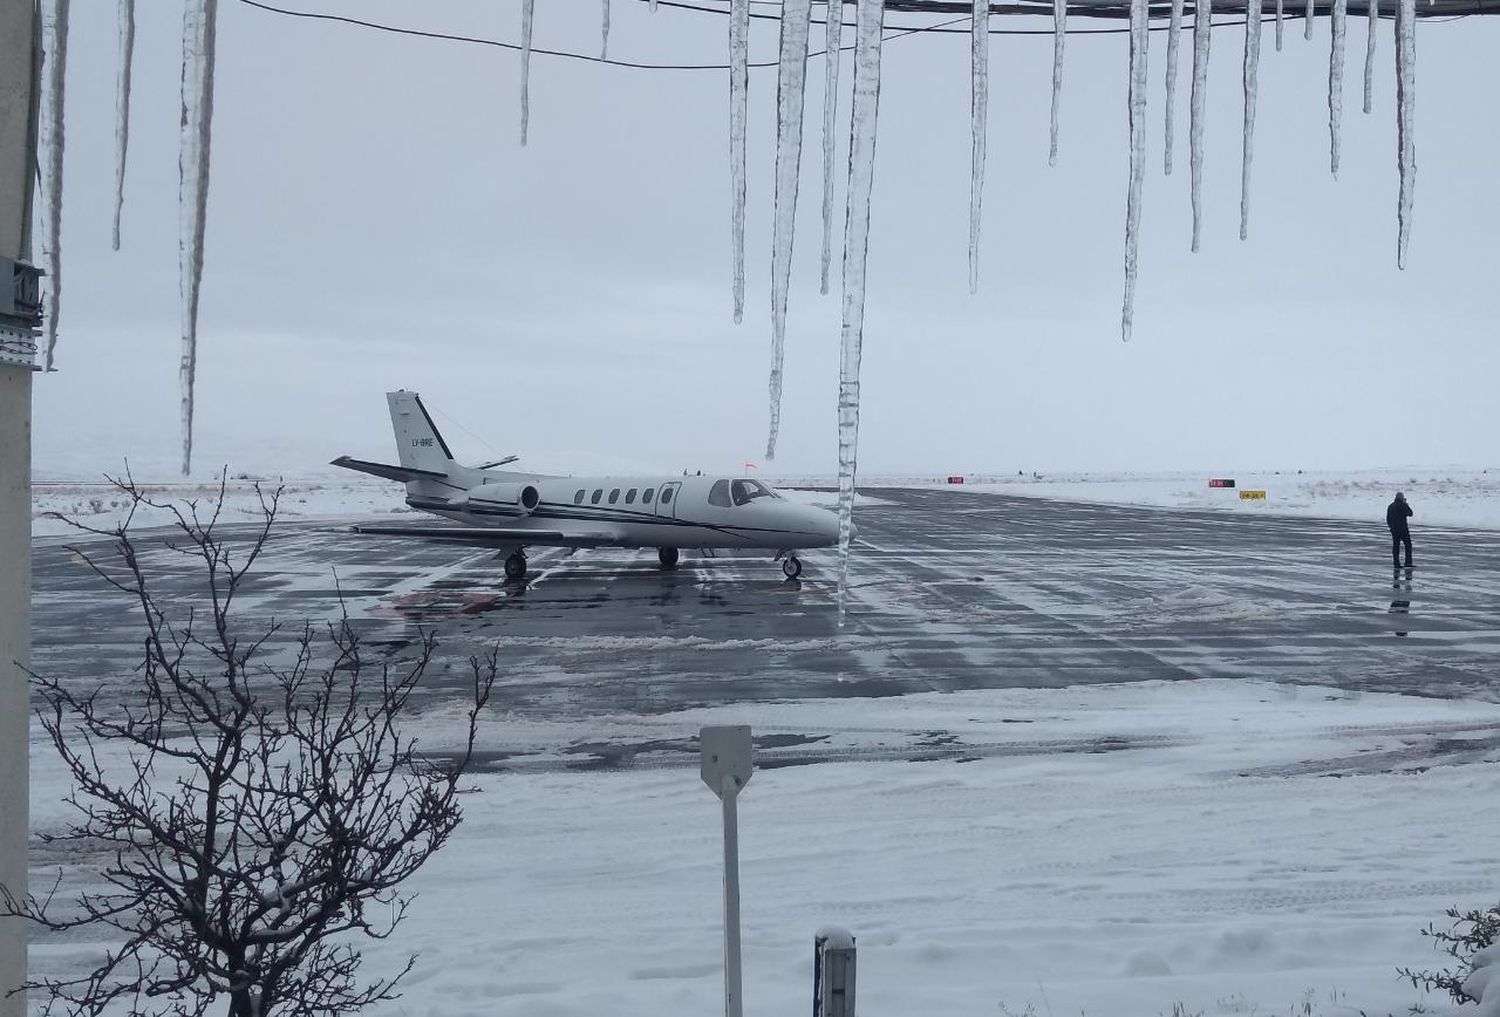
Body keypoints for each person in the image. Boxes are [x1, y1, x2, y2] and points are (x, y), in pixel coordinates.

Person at [1386, 491, 1414, 569]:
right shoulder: (1403, 505)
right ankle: (1408, 562)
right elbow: (1410, 513)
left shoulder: (1391, 506)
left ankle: (1396, 563)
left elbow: (1388, 518)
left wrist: (1391, 527)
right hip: (1403, 529)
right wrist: (1406, 504)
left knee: (1396, 546)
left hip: (1394, 530)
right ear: (1401, 498)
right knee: (1408, 545)